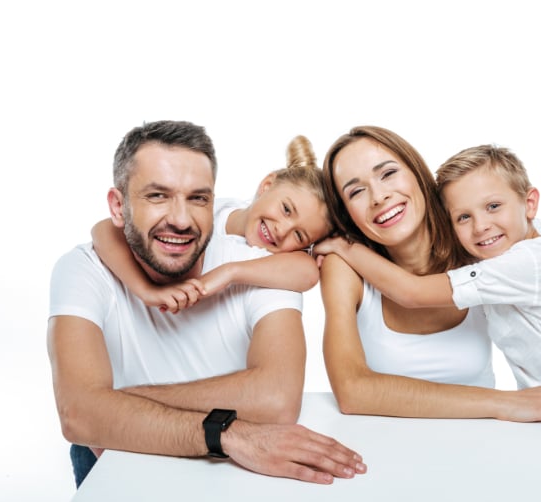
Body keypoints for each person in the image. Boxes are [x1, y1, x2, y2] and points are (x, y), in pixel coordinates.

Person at [315, 143, 541, 500]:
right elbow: (351, 392)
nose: (379, 196)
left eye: (388, 173)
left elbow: (413, 291)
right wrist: (500, 401)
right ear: (345, 211)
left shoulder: (482, 251)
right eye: (356, 190)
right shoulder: (478, 244)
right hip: (399, 461)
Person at [47, 120, 366, 489]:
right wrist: (228, 432)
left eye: (198, 198)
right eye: (157, 196)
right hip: (120, 462)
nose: (181, 218)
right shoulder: (83, 268)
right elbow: (79, 417)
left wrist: (117, 408)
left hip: (220, 472)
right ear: (119, 206)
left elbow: (276, 400)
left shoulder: (263, 262)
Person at [90, 134, 332, 313]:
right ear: (267, 185)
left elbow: (308, 272)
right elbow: (105, 230)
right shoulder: (215, 208)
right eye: (286, 209)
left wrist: (228, 273)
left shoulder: (264, 257)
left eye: (299, 236)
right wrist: (145, 291)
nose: (282, 230)